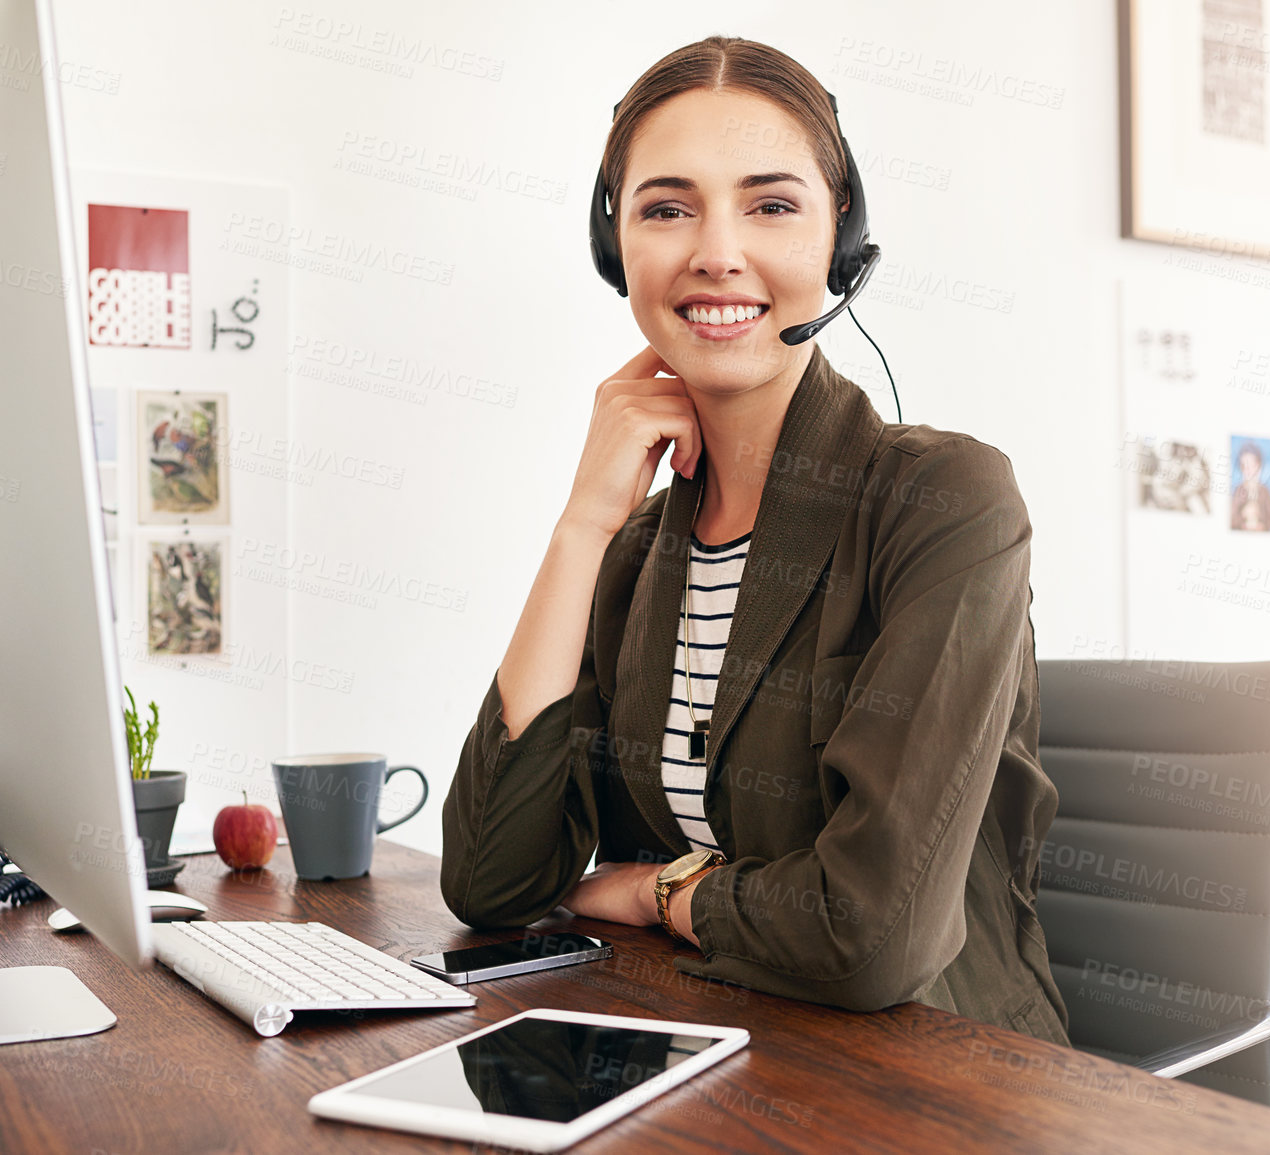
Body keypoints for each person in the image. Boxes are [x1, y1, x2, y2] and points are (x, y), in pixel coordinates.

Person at [440, 35, 1068, 1045]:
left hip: (944, 1075)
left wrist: (661, 893)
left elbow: (870, 936)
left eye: (771, 205)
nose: (716, 252)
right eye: (667, 207)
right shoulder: (641, 551)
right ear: (617, 250)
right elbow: (492, 880)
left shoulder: (945, 501)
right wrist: (582, 526)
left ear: (838, 240)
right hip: (728, 1054)